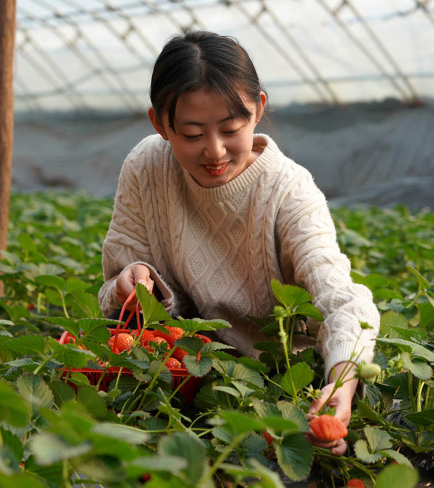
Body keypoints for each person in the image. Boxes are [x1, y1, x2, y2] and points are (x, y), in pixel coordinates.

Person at [97, 31, 379, 456]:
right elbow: (113, 295)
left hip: (280, 382)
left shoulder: (288, 191)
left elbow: (344, 302)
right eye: (192, 134)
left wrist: (341, 382)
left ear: (258, 110)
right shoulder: (146, 166)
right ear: (160, 124)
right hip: (184, 371)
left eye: (231, 128)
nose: (215, 151)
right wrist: (128, 284)